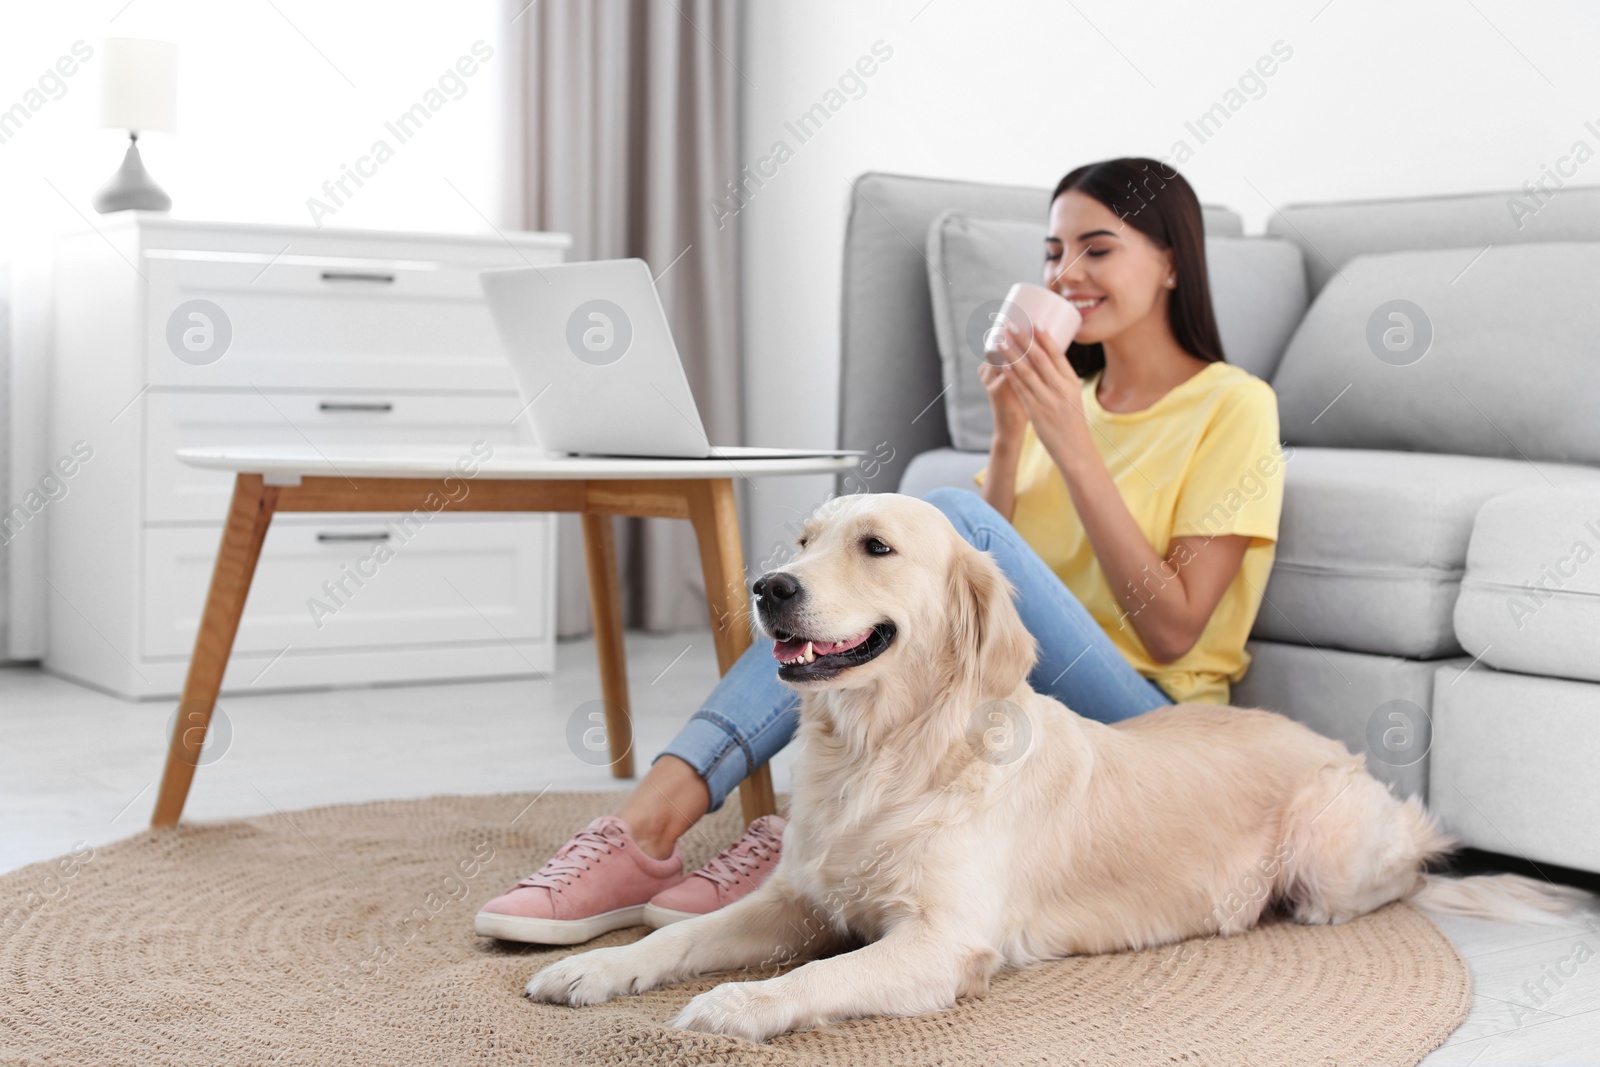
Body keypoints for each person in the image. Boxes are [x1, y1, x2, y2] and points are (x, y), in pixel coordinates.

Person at [472, 158, 1287, 946]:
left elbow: (1176, 626)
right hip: (1025, 699)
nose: (1067, 271)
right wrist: (1009, 437)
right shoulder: (1058, 405)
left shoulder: (1232, 406)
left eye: (1097, 248)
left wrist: (1071, 445)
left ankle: (667, 823)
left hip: (1148, 727)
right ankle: (750, 832)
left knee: (939, 518)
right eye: (1052, 251)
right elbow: (970, 605)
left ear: (1172, 264)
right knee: (859, 595)